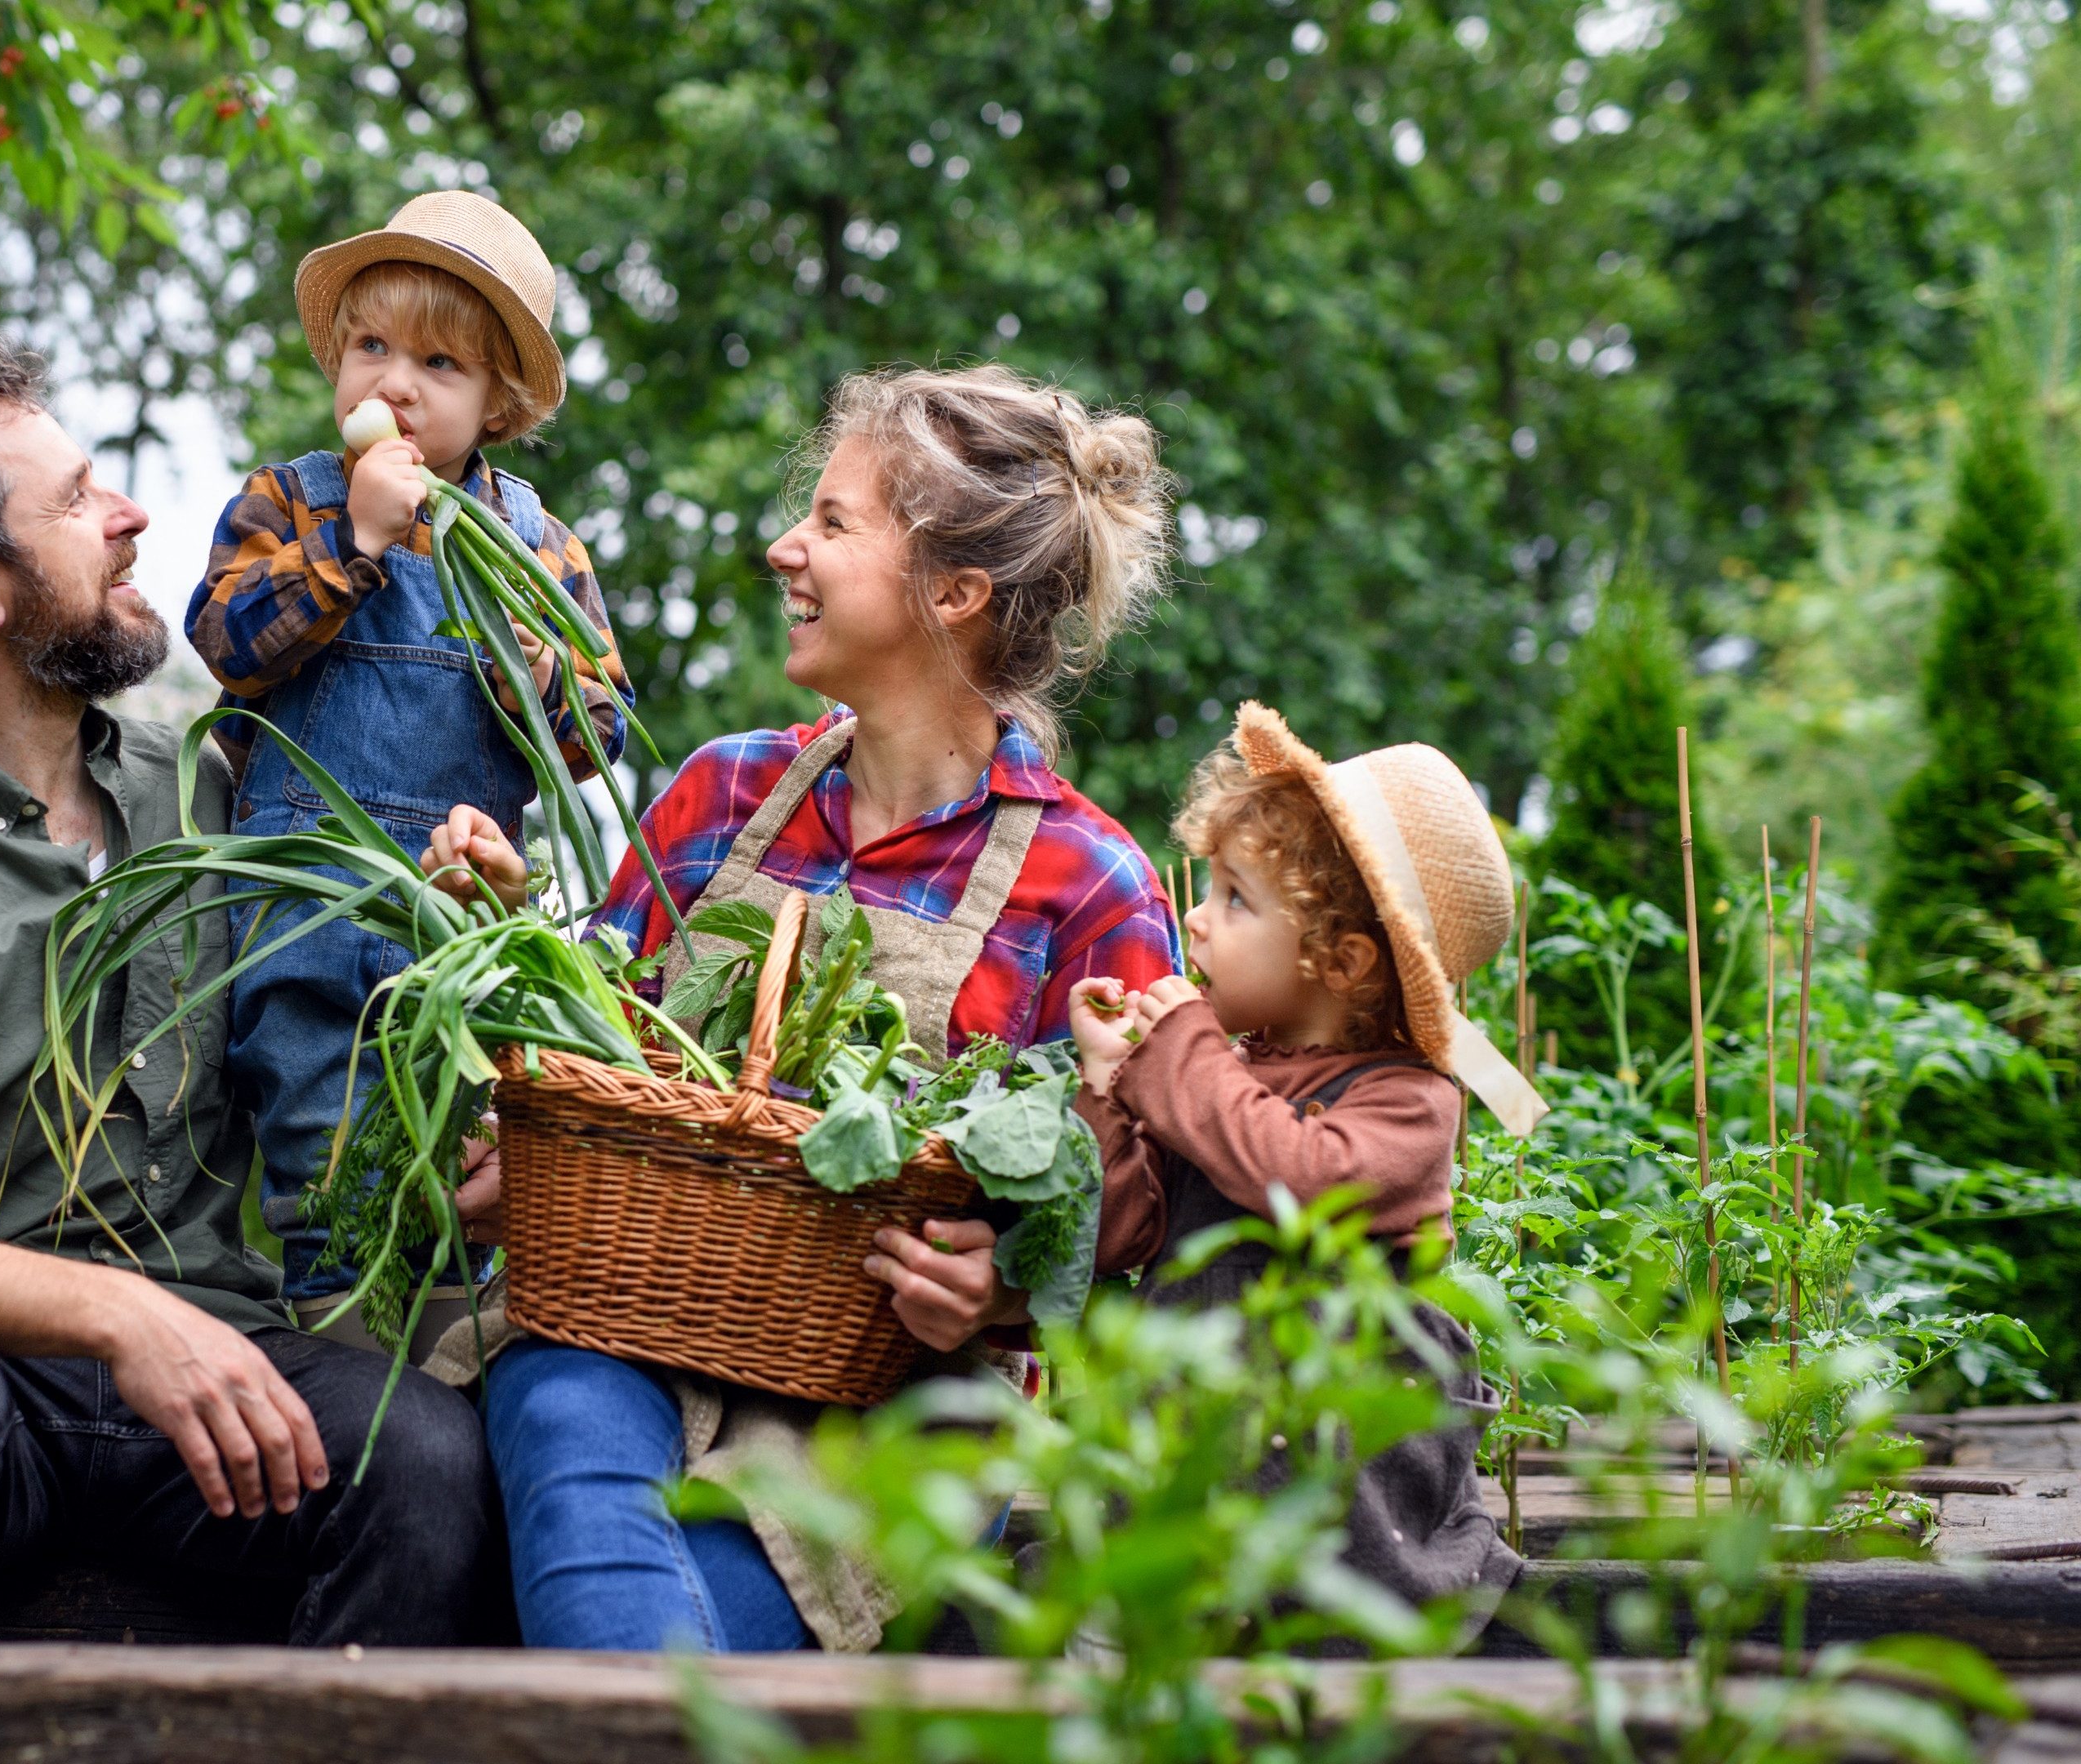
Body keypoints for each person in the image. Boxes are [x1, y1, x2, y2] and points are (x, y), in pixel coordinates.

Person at [0, 326, 501, 1646]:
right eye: (81, 499)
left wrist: (451, 940)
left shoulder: (209, 801)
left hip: (215, 1388)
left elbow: (332, 1043)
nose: (134, 514)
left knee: (427, 1457)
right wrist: (116, 1318)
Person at [447, 363, 1185, 1654]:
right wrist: (516, 986)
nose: (784, 547)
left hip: (879, 1416)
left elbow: (1139, 1230)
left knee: (661, 1625)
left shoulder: (1090, 884)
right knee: (568, 1421)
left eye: (835, 524)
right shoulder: (720, 797)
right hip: (626, 1329)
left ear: (952, 593)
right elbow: (599, 1055)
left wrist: (1004, 1287)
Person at [184, 189, 628, 1324]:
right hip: (306, 911)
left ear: (499, 406)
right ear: (337, 357)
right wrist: (356, 541)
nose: (395, 383)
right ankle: (348, 1358)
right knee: (332, 1173)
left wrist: (538, 677)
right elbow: (225, 641)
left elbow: (601, 731)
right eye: (372, 347)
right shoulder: (288, 501)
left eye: (440, 363)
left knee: (463, 1171)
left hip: (460, 922)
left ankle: (452, 1360)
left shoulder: (540, 544)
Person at [1067, 701, 1545, 1608]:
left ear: (1344, 960)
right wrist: (1106, 1089)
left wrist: (1182, 1057)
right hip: (1196, 1444)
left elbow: (1303, 1179)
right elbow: (1119, 1235)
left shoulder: (1410, 1099)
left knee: (1324, 1628)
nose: (1197, 923)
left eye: (1235, 899)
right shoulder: (1221, 1077)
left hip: (1342, 1483)